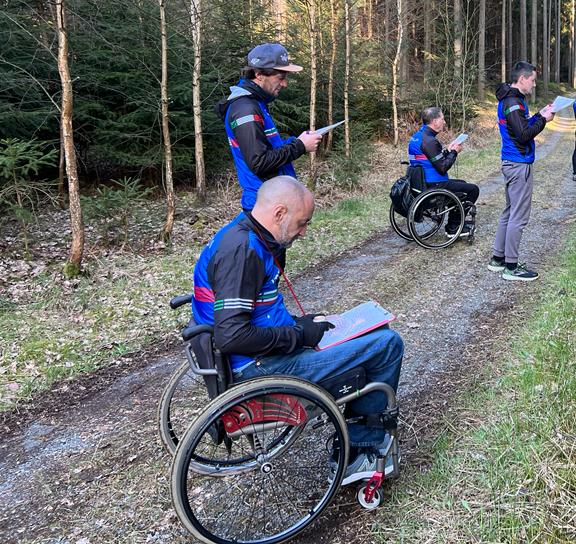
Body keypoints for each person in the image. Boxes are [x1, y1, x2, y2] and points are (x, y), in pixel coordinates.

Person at [191, 175, 403, 480]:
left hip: (260, 355)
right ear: (279, 213)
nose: (303, 232)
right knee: (387, 344)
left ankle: (359, 430)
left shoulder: (245, 234)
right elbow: (232, 336)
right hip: (257, 368)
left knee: (367, 332)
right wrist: (298, 335)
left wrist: (298, 324)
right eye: (302, 223)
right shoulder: (242, 252)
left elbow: (255, 311)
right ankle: (359, 451)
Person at [219, 43, 321, 211]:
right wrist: (300, 146)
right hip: (264, 205)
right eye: (280, 78)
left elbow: (267, 148)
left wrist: (298, 141)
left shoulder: (257, 103)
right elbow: (259, 162)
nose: (285, 83)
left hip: (273, 200)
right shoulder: (245, 109)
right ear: (259, 74)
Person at [488, 61, 555, 281]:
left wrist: (538, 115)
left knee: (510, 211)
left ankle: (498, 259)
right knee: (518, 216)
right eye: (533, 80)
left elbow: (521, 126)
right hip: (518, 164)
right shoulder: (513, 102)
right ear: (523, 78)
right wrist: (543, 120)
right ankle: (511, 267)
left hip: (511, 162)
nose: (534, 85)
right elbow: (524, 134)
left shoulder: (511, 99)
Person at [408, 107, 479, 237]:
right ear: (435, 121)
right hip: (434, 184)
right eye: (442, 119)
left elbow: (432, 159)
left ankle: (454, 221)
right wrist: (454, 152)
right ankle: (453, 227)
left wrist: (447, 151)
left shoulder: (418, 137)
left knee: (462, 183)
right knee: (473, 189)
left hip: (422, 182)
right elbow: (442, 168)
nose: (444, 122)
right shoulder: (430, 141)